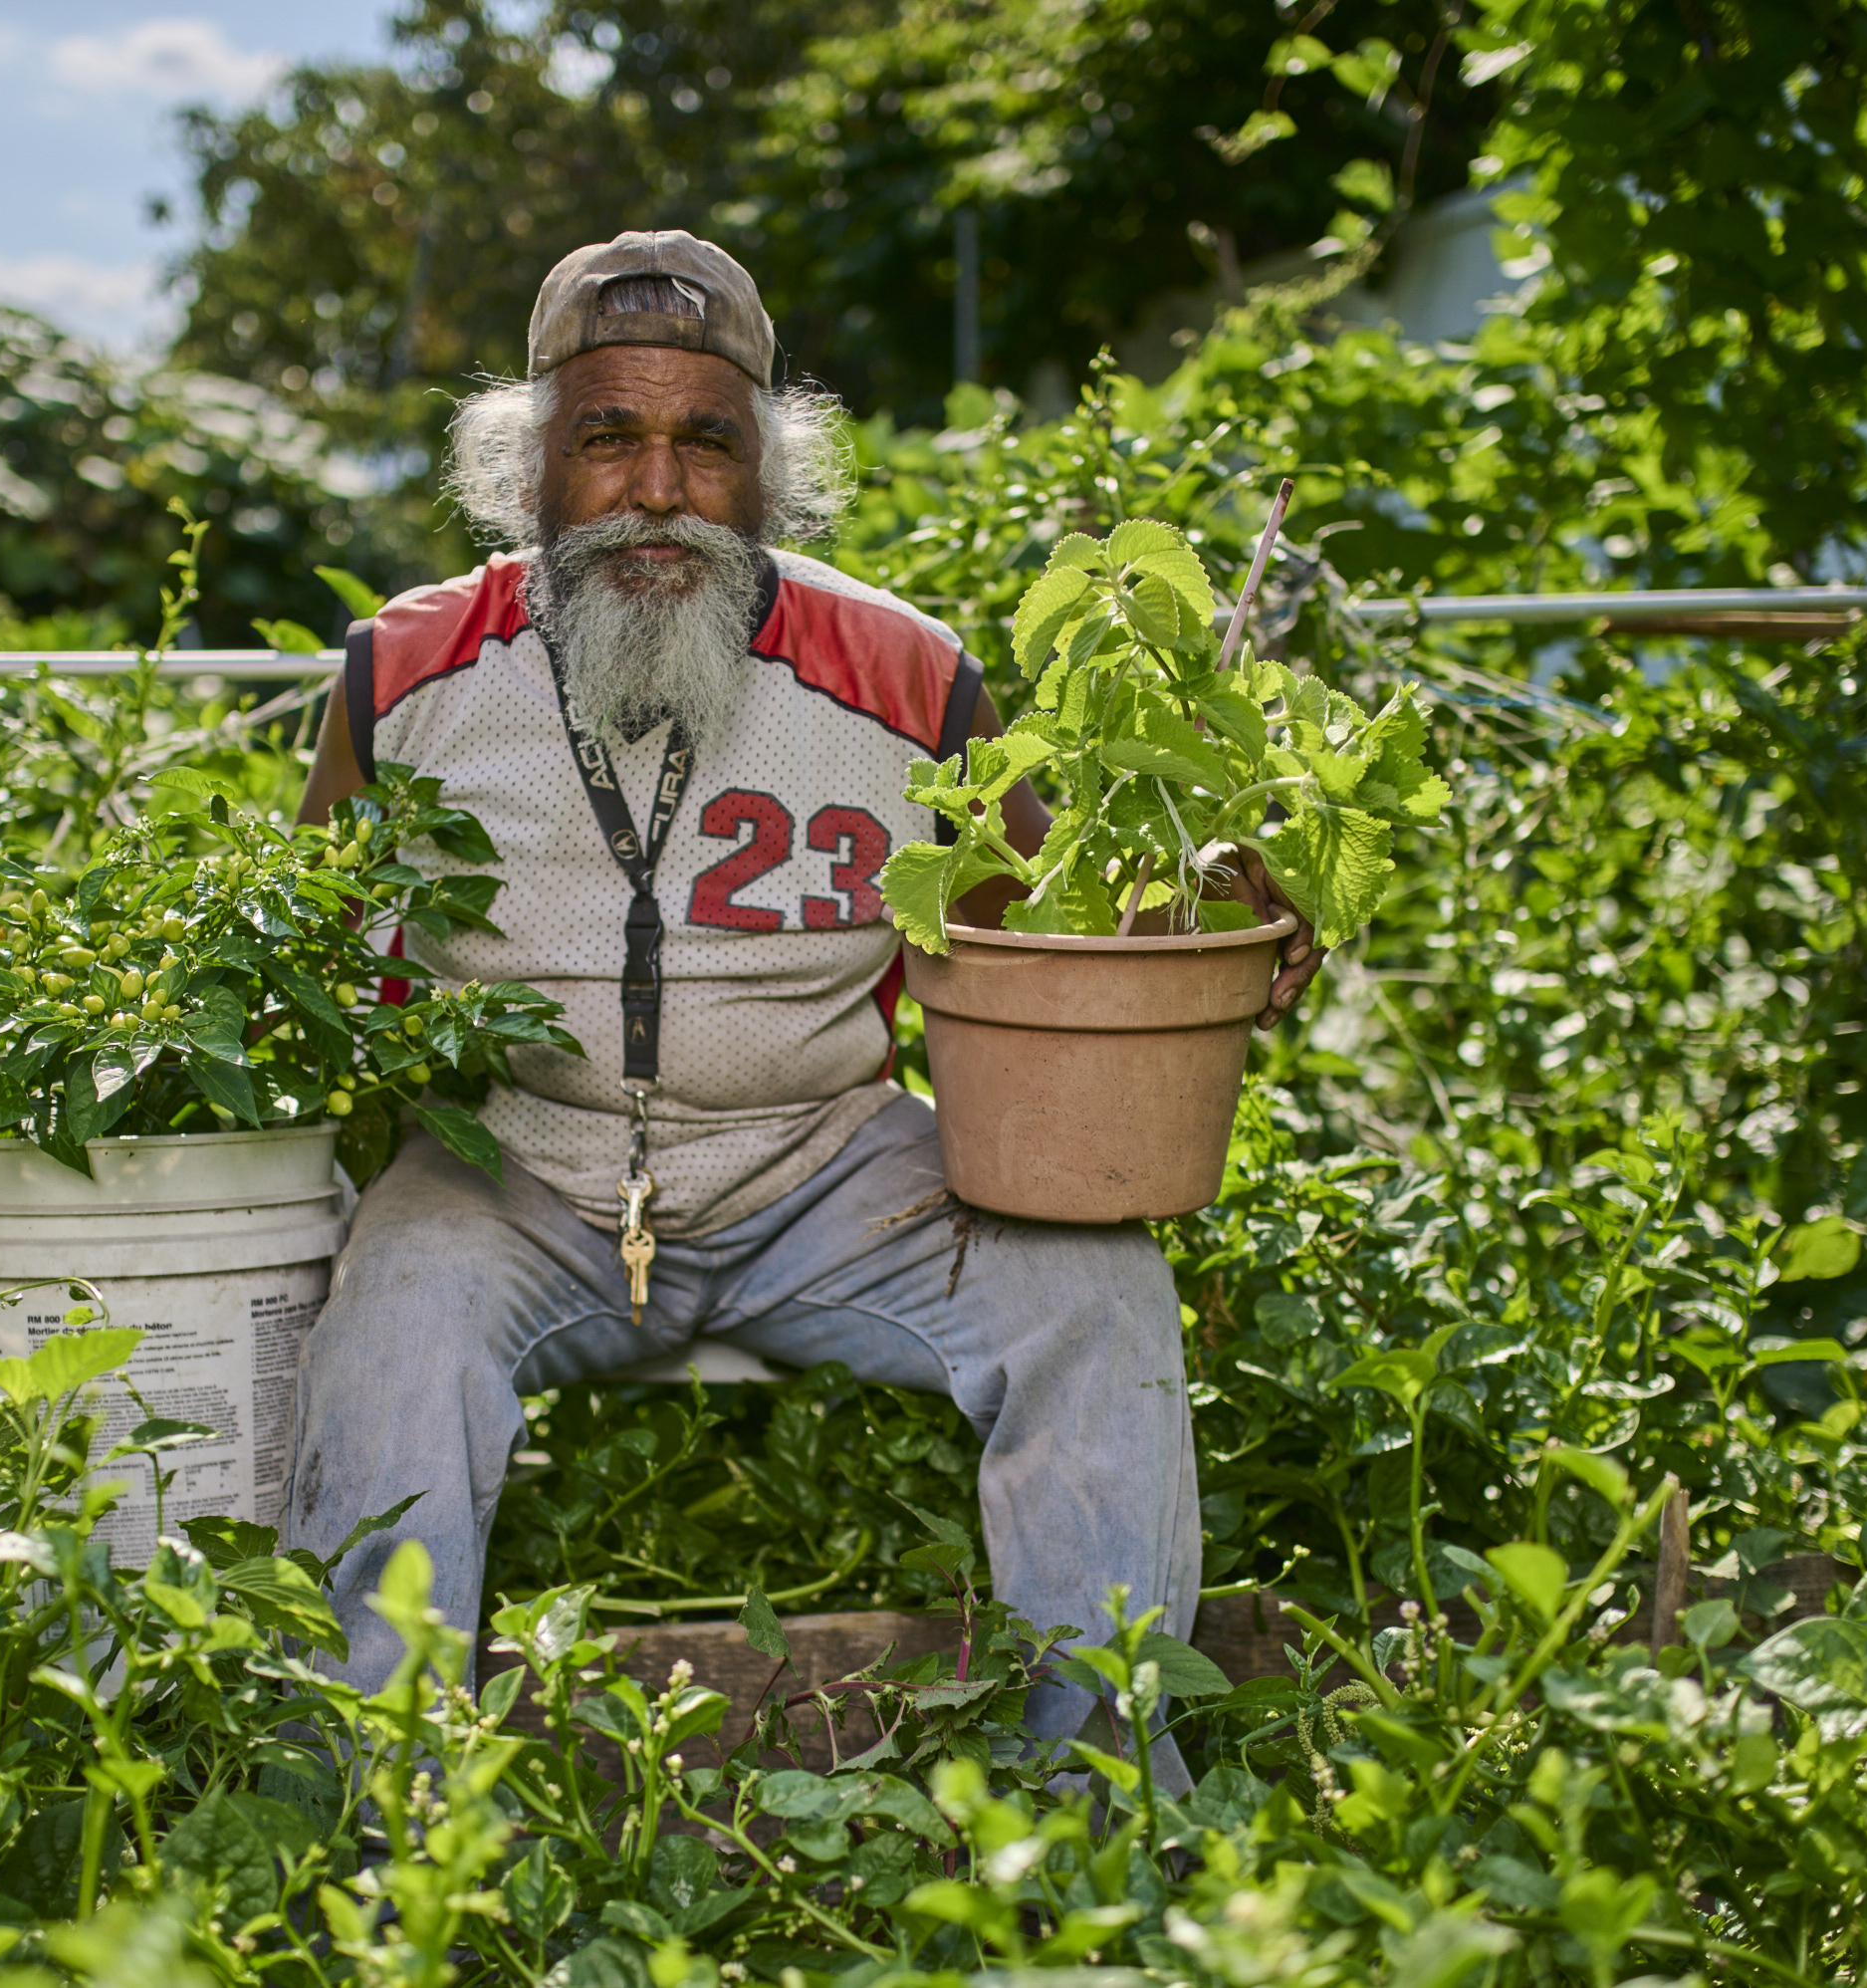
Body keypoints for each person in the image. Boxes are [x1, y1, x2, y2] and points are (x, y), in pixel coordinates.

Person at [284, 230, 1320, 1758]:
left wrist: (1208, 909)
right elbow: (308, 958)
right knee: (390, 1328)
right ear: (529, 474)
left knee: (1096, 1300)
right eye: (607, 438)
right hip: (514, 1165)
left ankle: (1111, 1797)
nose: (657, 489)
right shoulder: (405, 673)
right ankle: (369, 1820)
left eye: (707, 442)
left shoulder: (903, 672)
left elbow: (1054, 934)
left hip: (827, 1165)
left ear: (770, 473)